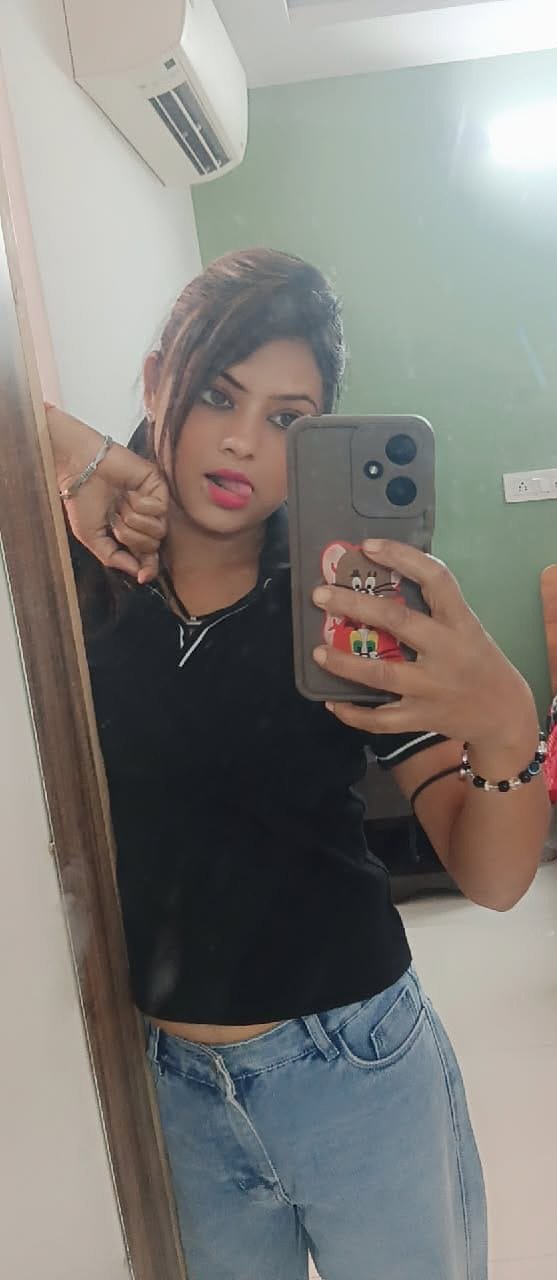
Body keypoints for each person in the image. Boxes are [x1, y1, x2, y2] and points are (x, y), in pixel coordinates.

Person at [46, 249, 548, 1280]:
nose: (241, 439)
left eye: (287, 417)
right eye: (216, 394)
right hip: (170, 1093)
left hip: (355, 1063)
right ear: (157, 381)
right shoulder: (79, 582)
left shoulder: (341, 603)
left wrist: (506, 730)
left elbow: (493, 879)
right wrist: (69, 447)